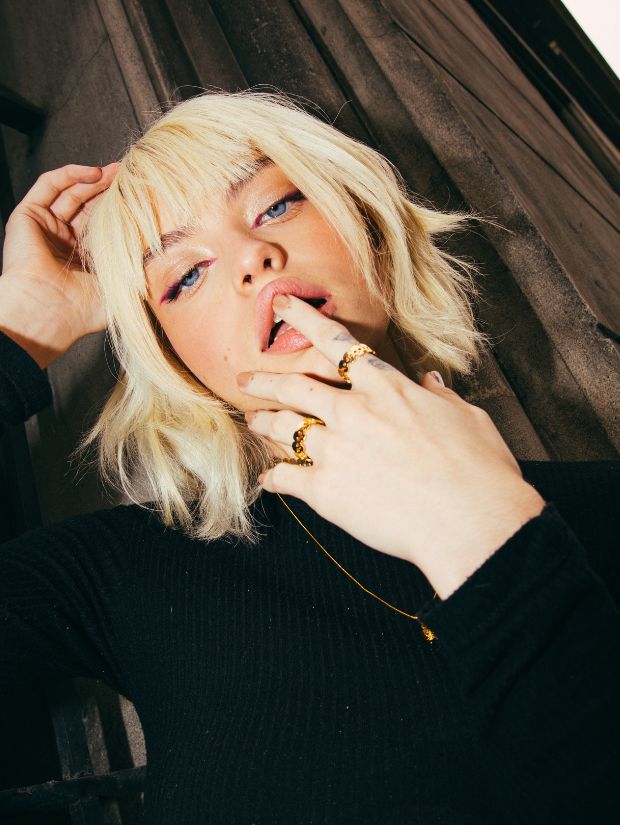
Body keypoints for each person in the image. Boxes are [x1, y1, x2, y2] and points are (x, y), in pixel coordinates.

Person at [0, 91, 618, 825]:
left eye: (275, 206)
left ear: (367, 229)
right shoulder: (122, 569)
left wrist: (491, 537)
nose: (252, 259)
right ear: (180, 362)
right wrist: (21, 329)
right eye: (185, 275)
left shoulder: (603, 511)